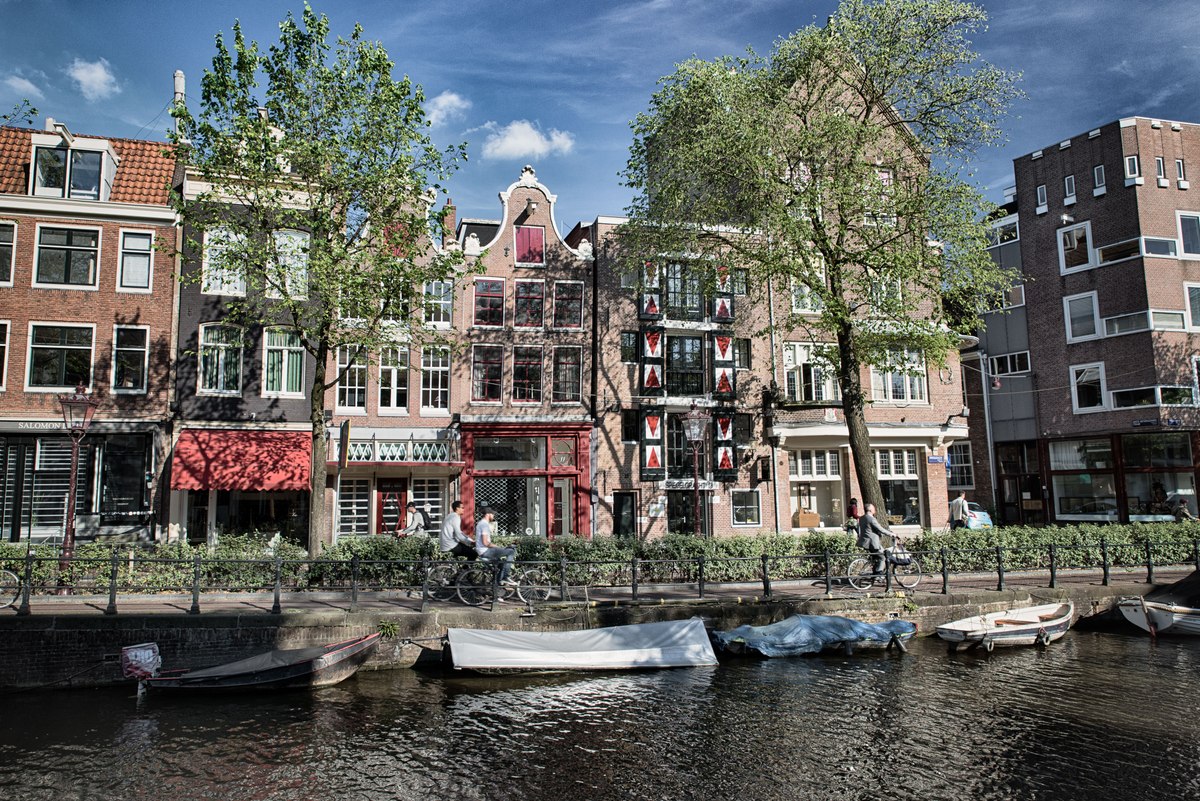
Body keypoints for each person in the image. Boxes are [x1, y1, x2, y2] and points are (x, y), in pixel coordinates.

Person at [475, 507, 517, 586]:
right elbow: (485, 543)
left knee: (501, 565)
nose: (494, 516)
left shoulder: (481, 523)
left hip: (482, 551)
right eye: (493, 514)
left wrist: (499, 548)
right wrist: (499, 548)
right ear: (488, 514)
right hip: (485, 551)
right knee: (511, 551)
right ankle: (506, 577)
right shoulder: (484, 524)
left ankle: (496, 589)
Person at [857, 502, 892, 575]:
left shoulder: (862, 518)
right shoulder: (871, 519)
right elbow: (880, 529)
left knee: (877, 557)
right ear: (870, 510)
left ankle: (875, 571)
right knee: (883, 557)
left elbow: (869, 529)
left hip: (865, 542)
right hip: (872, 543)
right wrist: (891, 534)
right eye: (873, 509)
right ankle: (878, 574)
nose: (875, 510)